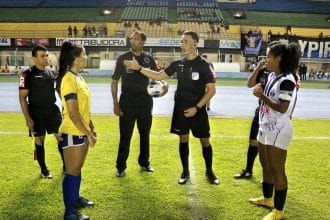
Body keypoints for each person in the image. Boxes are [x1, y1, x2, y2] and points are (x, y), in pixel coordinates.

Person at [124, 31, 220, 185]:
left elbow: (211, 90)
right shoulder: (178, 64)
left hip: (198, 110)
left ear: (195, 43)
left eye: (186, 42)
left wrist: (197, 107)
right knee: (183, 139)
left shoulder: (205, 65)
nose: (182, 45)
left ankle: (210, 171)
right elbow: (158, 75)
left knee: (205, 141)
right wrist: (139, 68)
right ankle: (185, 172)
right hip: (181, 108)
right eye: (181, 42)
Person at [249, 41, 300, 220]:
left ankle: (279, 211)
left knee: (277, 169)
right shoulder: (272, 75)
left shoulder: (287, 80)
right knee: (265, 165)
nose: (266, 59)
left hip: (279, 128)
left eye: (269, 56)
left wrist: (261, 96)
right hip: (265, 125)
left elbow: (282, 107)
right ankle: (267, 199)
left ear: (279, 58)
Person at [58, 41, 97, 220]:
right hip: (73, 132)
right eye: (84, 54)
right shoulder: (68, 79)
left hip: (81, 130)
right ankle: (70, 213)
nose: (86, 57)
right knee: (72, 171)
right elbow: (73, 113)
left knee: (77, 168)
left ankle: (76, 199)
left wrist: (91, 126)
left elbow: (83, 108)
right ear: (76, 58)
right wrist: (88, 133)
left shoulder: (78, 77)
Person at [111, 30, 157, 177]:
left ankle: (144, 163)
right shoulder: (123, 58)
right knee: (125, 135)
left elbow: (157, 79)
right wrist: (116, 104)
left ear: (143, 41)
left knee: (145, 135)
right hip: (127, 102)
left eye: (136, 39)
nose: (133, 41)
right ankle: (120, 167)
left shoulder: (149, 60)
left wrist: (161, 89)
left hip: (145, 102)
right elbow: (114, 82)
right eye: (132, 38)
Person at [19, 44, 65, 179]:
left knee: (61, 137)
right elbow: (22, 98)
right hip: (36, 112)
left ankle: (66, 166)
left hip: (52, 110)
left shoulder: (51, 72)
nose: (46, 58)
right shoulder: (26, 74)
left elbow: (59, 90)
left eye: (47, 55)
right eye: (42, 56)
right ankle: (44, 170)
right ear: (34, 58)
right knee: (40, 140)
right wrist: (28, 118)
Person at [234, 60, 269, 179]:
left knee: (269, 145)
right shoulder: (264, 71)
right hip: (261, 110)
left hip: (273, 113)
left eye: (270, 56)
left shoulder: (281, 74)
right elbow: (249, 84)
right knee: (253, 141)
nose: (267, 59)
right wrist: (258, 67)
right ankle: (248, 171)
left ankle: (269, 176)